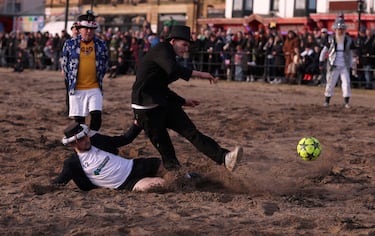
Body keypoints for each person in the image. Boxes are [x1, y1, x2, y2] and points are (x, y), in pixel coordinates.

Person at [131, 25, 243, 171]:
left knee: (192, 133)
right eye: (184, 44)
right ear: (173, 41)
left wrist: (183, 101)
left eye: (188, 46)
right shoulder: (162, 48)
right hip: (145, 109)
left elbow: (161, 87)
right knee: (167, 150)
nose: (185, 49)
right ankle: (179, 179)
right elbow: (173, 69)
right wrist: (201, 74)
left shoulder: (169, 56)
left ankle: (225, 158)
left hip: (161, 101)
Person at [53, 122, 166, 192]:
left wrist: (136, 125)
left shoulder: (96, 141)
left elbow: (124, 139)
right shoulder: (72, 163)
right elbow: (59, 183)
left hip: (134, 165)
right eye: (81, 139)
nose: (87, 140)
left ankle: (184, 178)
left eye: (86, 136)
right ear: (73, 143)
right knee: (160, 185)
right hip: (125, 184)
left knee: (168, 167)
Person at [61, 10, 109, 131]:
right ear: (79, 29)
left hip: (94, 87)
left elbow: (105, 63)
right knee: (79, 121)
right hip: (77, 89)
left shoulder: (101, 44)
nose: (89, 31)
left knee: (96, 116)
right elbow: (64, 64)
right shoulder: (69, 44)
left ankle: (93, 140)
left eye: (92, 29)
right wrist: (70, 80)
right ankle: (83, 144)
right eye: (86, 28)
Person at [319, 14, 356, 108]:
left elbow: (351, 54)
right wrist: (321, 61)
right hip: (333, 64)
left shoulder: (348, 40)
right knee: (330, 83)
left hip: (344, 65)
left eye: (342, 29)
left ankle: (347, 102)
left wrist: (352, 66)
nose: (340, 31)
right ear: (335, 30)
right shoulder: (331, 39)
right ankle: (327, 101)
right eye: (338, 29)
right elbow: (324, 51)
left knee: (346, 83)